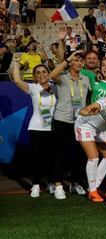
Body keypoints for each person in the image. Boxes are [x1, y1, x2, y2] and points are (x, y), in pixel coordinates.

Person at [11, 59, 57, 198]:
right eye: (38, 73)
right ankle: (36, 185)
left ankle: (50, 183)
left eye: (44, 72)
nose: (41, 74)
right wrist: (16, 64)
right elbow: (18, 81)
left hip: (53, 128)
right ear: (35, 76)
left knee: (51, 158)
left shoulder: (56, 87)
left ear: (49, 74)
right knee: (38, 158)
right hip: (37, 127)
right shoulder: (33, 88)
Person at [49, 50, 91, 199]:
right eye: (75, 60)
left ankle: (75, 183)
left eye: (81, 60)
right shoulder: (63, 77)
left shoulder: (85, 79)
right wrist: (67, 59)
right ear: (70, 62)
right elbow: (52, 76)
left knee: (78, 155)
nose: (78, 62)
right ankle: (58, 184)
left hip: (79, 121)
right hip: (62, 120)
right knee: (59, 153)